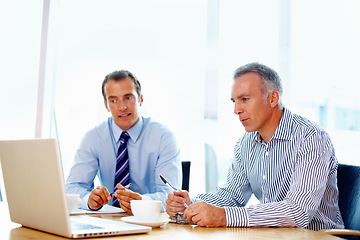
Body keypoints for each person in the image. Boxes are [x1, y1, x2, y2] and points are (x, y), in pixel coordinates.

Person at [166, 62, 345, 230]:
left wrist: (224, 216)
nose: (236, 110)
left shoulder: (311, 138)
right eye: (234, 101)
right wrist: (191, 205)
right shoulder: (246, 143)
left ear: (273, 98)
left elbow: (297, 212)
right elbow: (231, 197)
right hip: (274, 236)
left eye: (244, 99)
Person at [66, 70, 181, 213]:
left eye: (128, 98)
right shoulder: (93, 138)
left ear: (140, 99)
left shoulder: (164, 138)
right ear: (106, 105)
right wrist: (89, 199)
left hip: (150, 222)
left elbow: (172, 197)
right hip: (108, 221)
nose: (122, 107)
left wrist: (141, 203)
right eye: (113, 100)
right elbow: (72, 188)